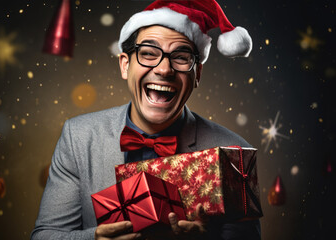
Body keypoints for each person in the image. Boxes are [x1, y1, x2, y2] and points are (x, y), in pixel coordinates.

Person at [31, 0, 261, 239]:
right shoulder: (78, 137)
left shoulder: (234, 154)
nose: (164, 69)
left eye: (181, 57)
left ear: (198, 74)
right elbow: (46, 235)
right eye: (148, 54)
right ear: (125, 65)